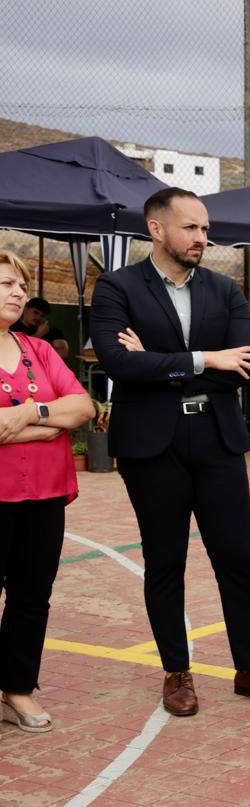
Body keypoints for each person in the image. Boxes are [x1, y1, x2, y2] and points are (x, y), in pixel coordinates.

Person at [90, 188, 250, 717]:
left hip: (217, 439)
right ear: (157, 229)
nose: (202, 238)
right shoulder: (117, 287)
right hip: (151, 446)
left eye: (205, 228)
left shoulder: (226, 290)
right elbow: (118, 364)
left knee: (236, 556)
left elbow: (245, 363)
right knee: (165, 560)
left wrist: (160, 362)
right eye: (190, 228)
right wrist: (207, 359)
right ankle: (176, 672)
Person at [0, 254, 94, 733]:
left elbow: (82, 407)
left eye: (21, 284)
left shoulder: (39, 350)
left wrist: (24, 416)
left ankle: (17, 688)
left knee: (32, 595)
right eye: (5, 284)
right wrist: (47, 424)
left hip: (44, 494)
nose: (18, 293)